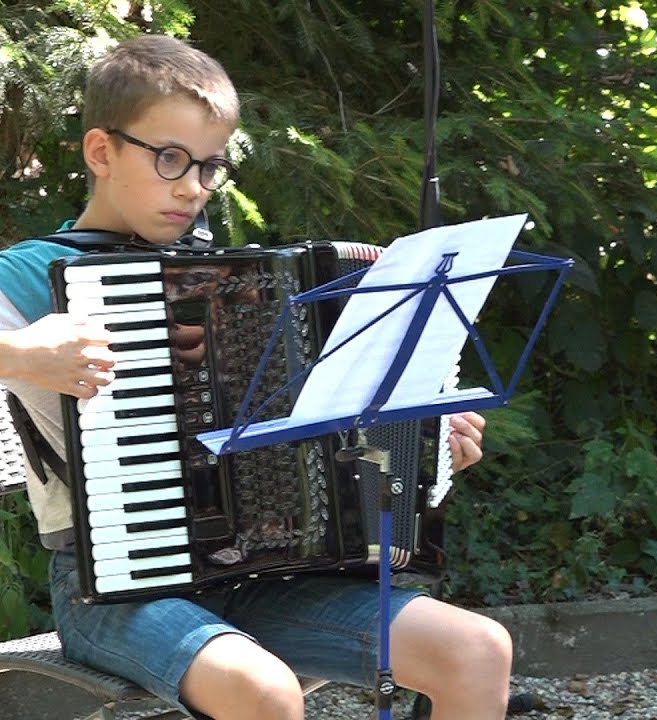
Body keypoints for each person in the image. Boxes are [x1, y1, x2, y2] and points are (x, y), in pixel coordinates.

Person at [0, 35, 512, 720]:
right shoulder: (31, 274)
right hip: (116, 593)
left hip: (267, 573)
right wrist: (22, 355)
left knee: (478, 649)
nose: (193, 186)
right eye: (170, 159)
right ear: (101, 152)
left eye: (209, 166)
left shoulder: (242, 283)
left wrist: (421, 439)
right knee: (264, 691)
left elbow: (326, 437)